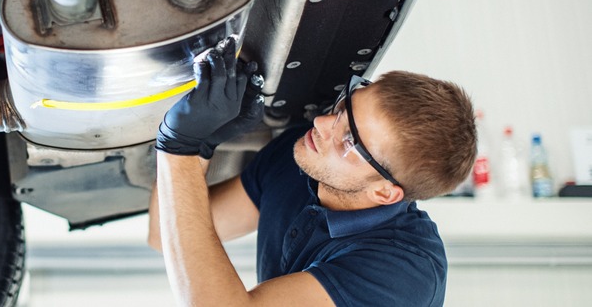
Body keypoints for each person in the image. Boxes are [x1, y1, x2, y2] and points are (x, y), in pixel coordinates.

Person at [148, 36, 477, 306]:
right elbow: (164, 234)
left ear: (385, 192)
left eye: (348, 140)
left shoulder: (403, 271)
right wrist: (202, 145)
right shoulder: (302, 158)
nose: (321, 125)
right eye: (342, 108)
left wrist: (180, 147)